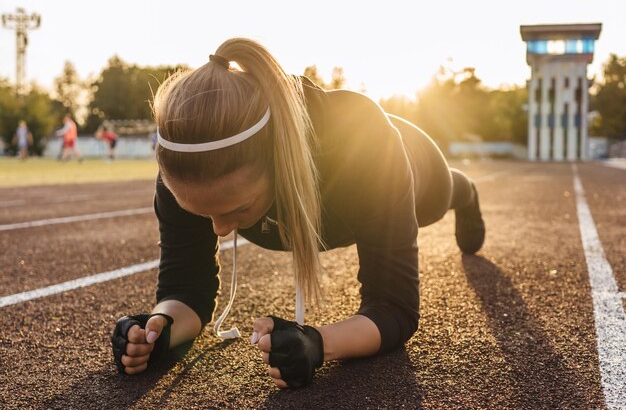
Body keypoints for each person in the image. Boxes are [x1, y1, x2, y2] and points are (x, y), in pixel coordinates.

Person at [110, 38, 485, 388]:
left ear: (279, 161)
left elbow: (395, 308)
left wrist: (320, 343)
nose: (221, 230)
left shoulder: (365, 144)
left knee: (444, 196)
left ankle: (466, 195)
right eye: (199, 211)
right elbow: (186, 291)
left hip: (415, 168)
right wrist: (159, 328)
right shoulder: (190, 166)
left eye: (237, 209)